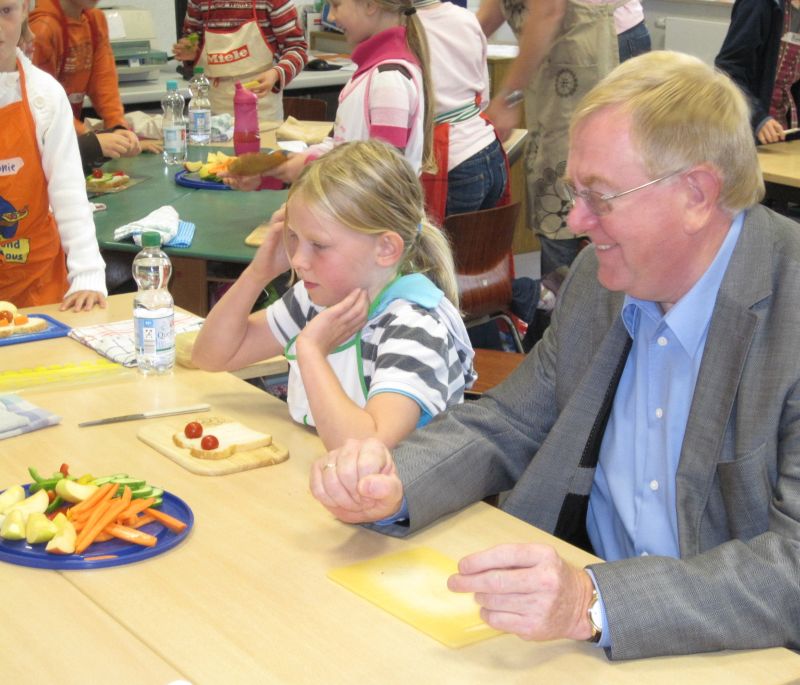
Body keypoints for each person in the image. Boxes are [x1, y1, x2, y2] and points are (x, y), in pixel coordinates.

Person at [309, 51, 800, 659]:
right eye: (575, 192)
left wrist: (594, 602)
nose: (574, 219)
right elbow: (510, 421)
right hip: (580, 634)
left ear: (697, 193)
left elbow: (792, 569)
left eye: (600, 196)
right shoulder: (602, 278)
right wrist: (395, 483)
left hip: (727, 651)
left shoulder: (788, 309)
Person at [192, 140, 475, 451]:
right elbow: (212, 356)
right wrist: (257, 274)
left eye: (319, 245)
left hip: (397, 493)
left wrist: (311, 351)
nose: (298, 260)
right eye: (295, 238)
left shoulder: (415, 328)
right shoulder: (320, 297)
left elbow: (367, 448)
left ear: (385, 249)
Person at [477, 0, 650, 275]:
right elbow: (493, 10)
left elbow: (548, 9)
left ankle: (571, 306)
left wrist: (509, 97)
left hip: (593, 46)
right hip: (562, 49)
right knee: (556, 177)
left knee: (569, 187)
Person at [225, 0, 434, 189]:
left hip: (372, 227)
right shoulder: (369, 74)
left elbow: (382, 177)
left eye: (336, 5)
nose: (331, 17)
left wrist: (308, 167)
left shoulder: (388, 80)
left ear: (370, 5)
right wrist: (273, 174)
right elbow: (338, 148)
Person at [1, 0, 106, 311]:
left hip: (37, 283)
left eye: (4, 11)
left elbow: (69, 191)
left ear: (23, 11)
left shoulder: (44, 95)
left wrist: (87, 273)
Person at [414, 0, 508, 223]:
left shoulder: (406, 27)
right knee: (481, 249)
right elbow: (482, 95)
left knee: (442, 253)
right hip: (489, 149)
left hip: (452, 160)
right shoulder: (466, 18)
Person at [29, 0, 148, 171]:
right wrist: (90, 139)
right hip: (41, 145)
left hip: (69, 139)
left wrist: (117, 126)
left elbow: (104, 81)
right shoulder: (43, 27)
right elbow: (41, 104)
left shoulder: (94, 20)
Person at [172, 0, 308, 120]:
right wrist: (190, 53)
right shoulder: (198, 2)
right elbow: (193, 42)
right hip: (213, 109)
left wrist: (276, 74)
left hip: (260, 109)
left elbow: (296, 48)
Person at [715, 0, 800, 145]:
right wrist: (758, 117)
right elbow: (728, 71)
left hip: (782, 128)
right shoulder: (758, 4)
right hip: (745, 126)